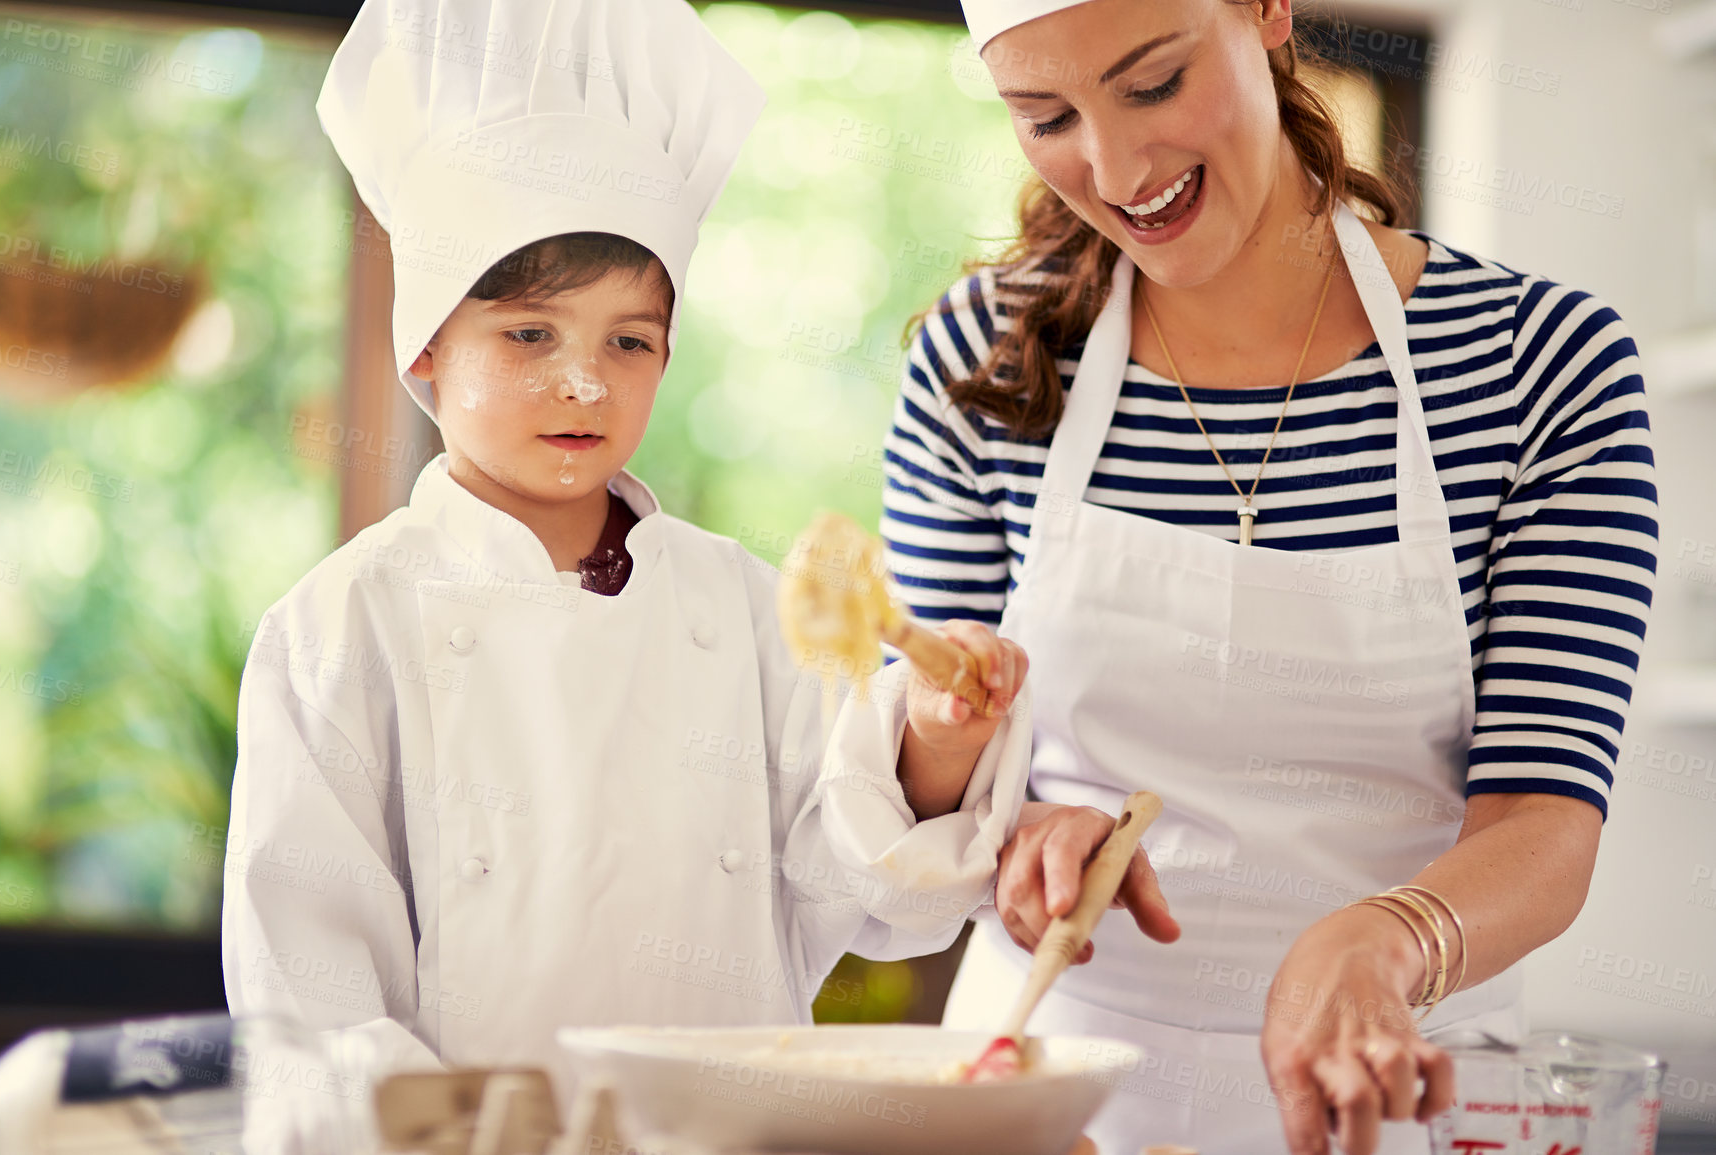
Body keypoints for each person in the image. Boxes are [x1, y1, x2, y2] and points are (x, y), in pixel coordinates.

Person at [884, 1, 1657, 1152]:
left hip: (1401, 1087)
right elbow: (931, 771)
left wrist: (1385, 939)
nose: (1115, 167)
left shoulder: (1537, 366)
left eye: (1153, 85)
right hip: (1051, 1080)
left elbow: (1544, 819)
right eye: (1046, 116)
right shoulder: (982, 363)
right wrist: (1018, 827)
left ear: (1266, 10)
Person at [222, 0, 1031, 1087]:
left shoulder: (742, 607)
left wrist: (935, 740)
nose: (585, 382)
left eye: (629, 341)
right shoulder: (338, 628)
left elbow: (861, 885)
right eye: (528, 335)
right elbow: (308, 996)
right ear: (423, 351)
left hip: (729, 1127)